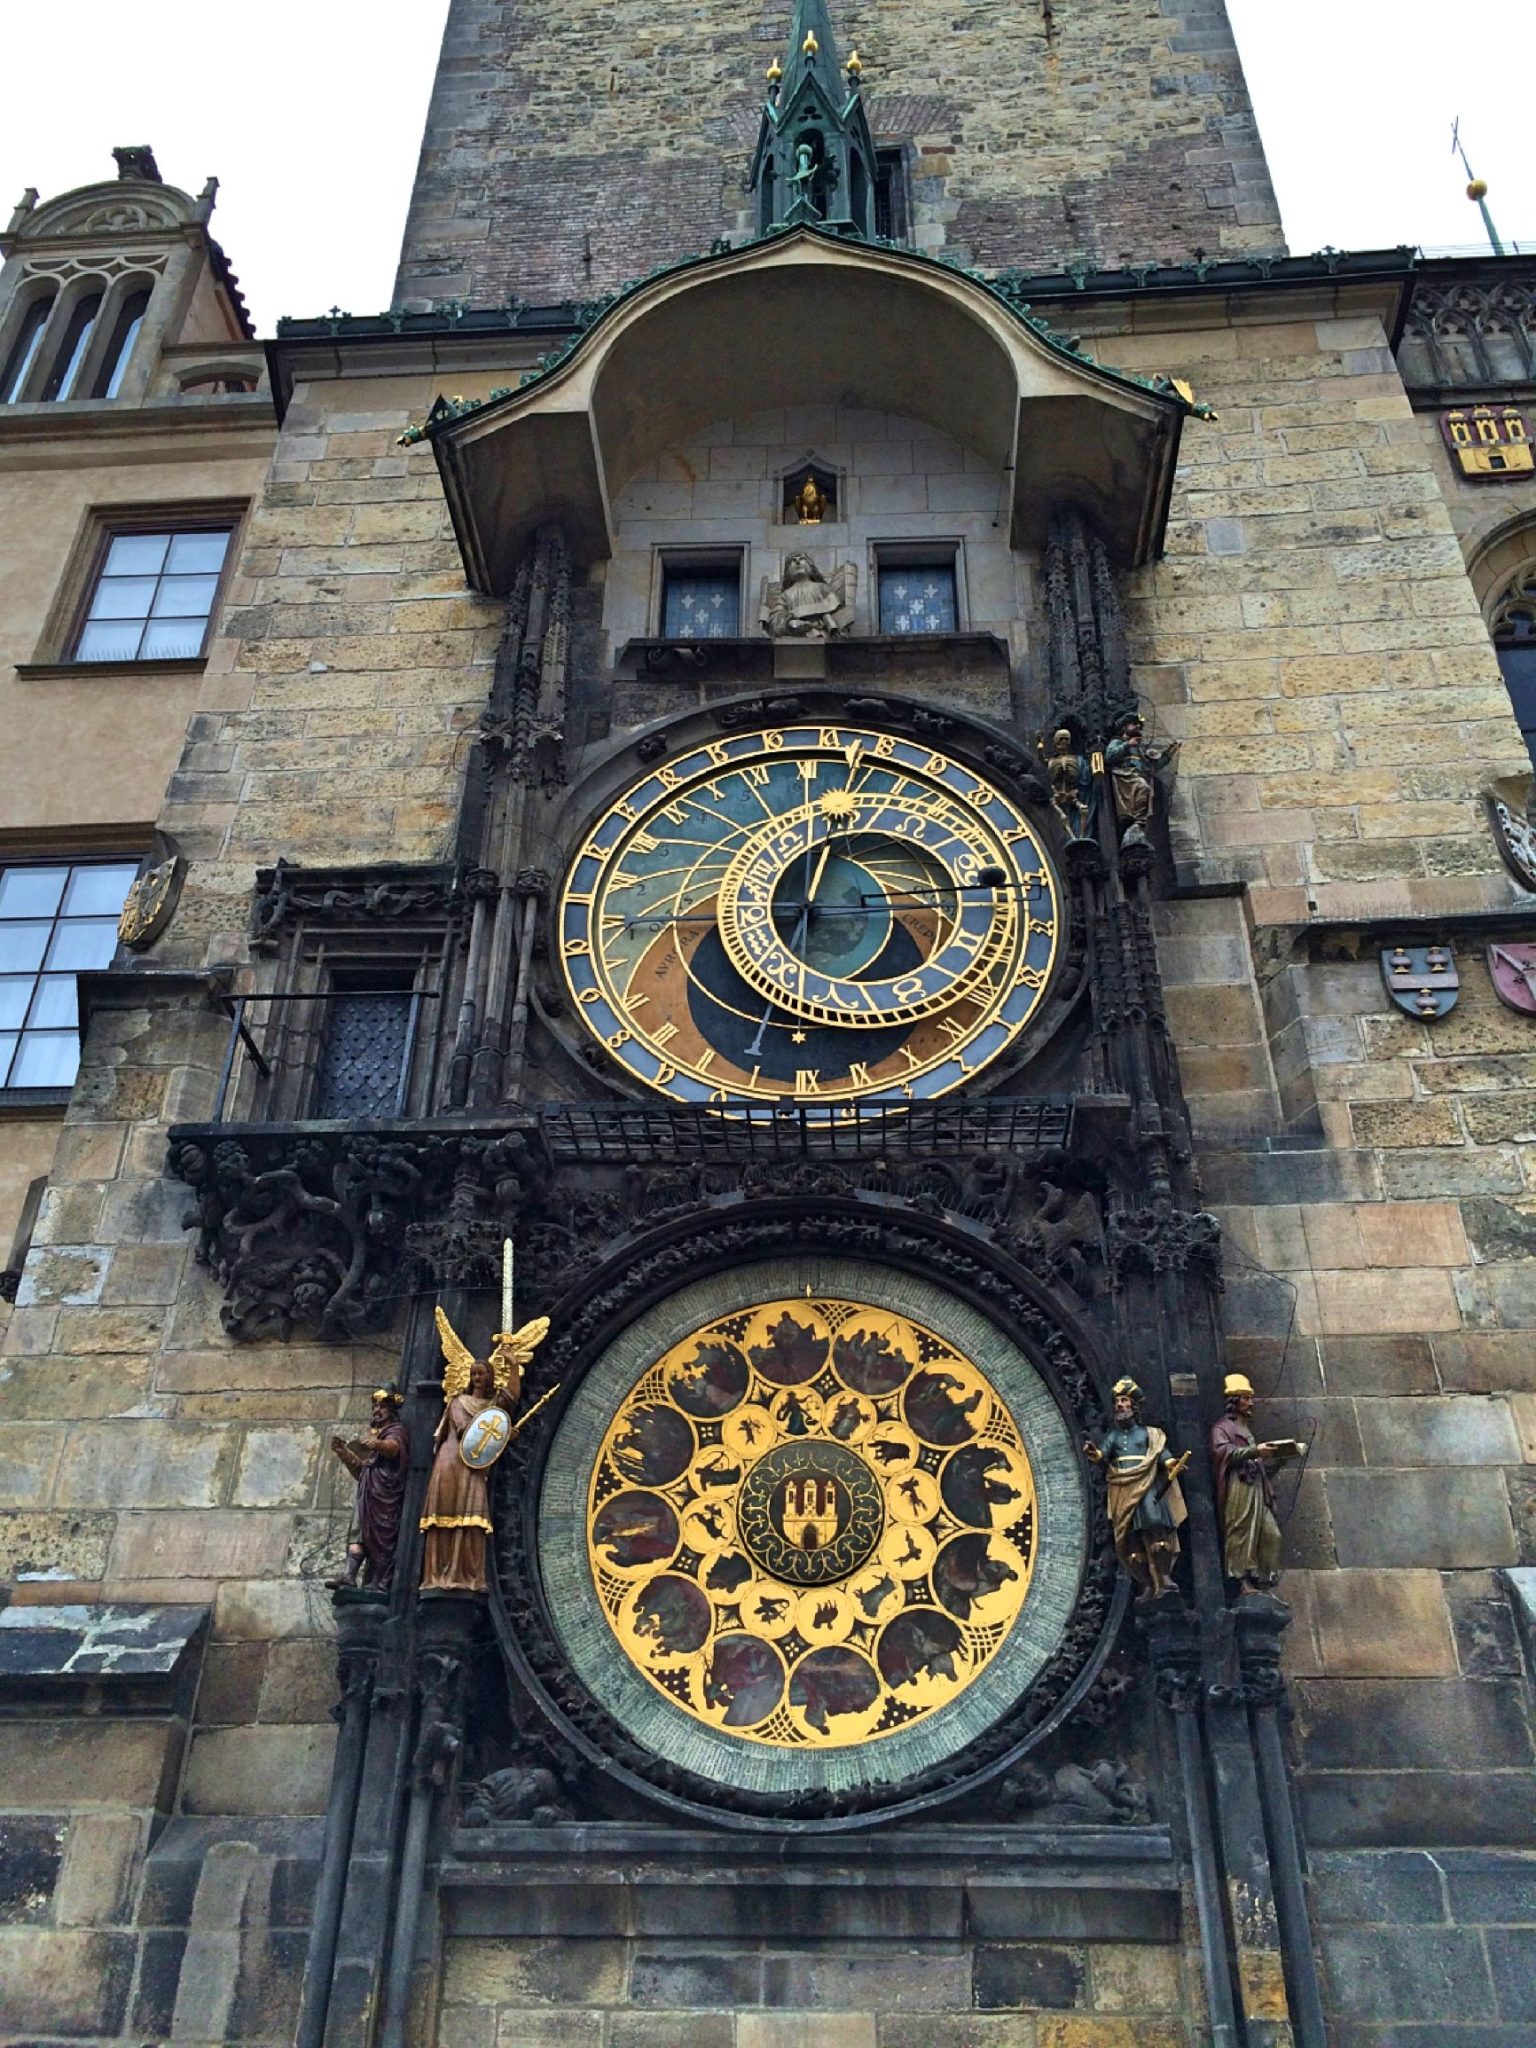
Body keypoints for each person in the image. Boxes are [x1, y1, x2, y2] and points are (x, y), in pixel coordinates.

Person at [1083, 1376, 1188, 1599]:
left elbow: (1160, 1453)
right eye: (1117, 1402)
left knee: (1155, 1526)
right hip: (1122, 1487)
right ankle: (1147, 1583)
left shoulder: (1149, 1434)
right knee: (1129, 1539)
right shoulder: (1114, 1436)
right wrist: (1095, 1454)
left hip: (1146, 1485)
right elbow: (1103, 1455)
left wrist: (1171, 1463)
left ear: (1134, 1405)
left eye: (1124, 1401)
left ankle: (1164, 1576)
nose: (1120, 1405)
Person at [1209, 1372, 1302, 1588]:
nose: (1250, 1403)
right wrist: (1255, 1451)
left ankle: (1264, 1580)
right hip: (1239, 1486)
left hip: (1257, 1488)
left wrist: (1278, 1461)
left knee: (1272, 1535)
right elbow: (1222, 1452)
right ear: (1235, 1401)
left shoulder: (1246, 1430)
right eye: (1245, 1398)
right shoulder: (1222, 1428)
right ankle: (1241, 1581)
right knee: (1240, 1530)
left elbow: (1257, 1464)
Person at [327, 1386, 409, 1590]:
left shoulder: (395, 1431)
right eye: (375, 1406)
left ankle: (382, 1581)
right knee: (358, 1533)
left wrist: (376, 1444)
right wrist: (343, 1453)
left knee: (382, 1538)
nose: (377, 1410)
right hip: (367, 1492)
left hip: (385, 1495)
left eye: (382, 1406)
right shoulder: (377, 1435)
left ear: (391, 1409)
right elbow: (361, 1470)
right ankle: (348, 1575)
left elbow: (394, 1449)